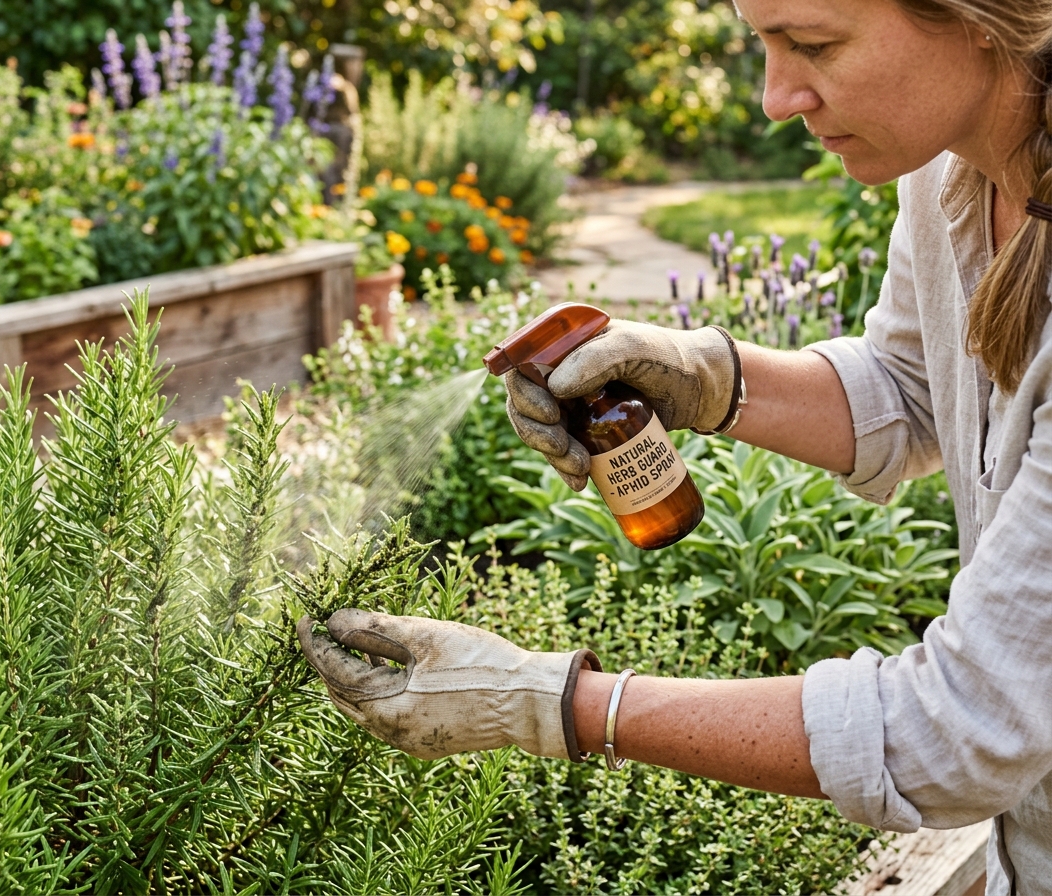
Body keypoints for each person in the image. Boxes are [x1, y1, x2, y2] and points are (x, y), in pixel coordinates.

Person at [297, 2, 1052, 892]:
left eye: (813, 44)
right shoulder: (948, 173)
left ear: (981, 20)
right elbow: (914, 390)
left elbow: (957, 732)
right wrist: (704, 375)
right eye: (760, 43)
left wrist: (553, 704)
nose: (776, 98)